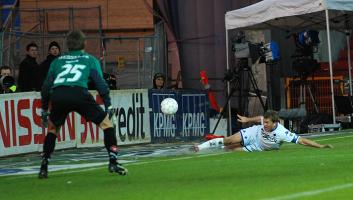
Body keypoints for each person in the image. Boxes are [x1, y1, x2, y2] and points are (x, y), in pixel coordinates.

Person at [39, 29, 128, 179]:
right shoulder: (89, 59)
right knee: (107, 125)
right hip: (79, 93)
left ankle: (44, 166)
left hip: (59, 95)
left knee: (53, 130)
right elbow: (101, 84)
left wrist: (44, 108)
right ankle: (113, 161)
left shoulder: (57, 61)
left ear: (67, 45)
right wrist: (108, 105)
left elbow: (46, 87)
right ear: (84, 43)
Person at [194, 110, 333, 152]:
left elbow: (302, 140)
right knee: (229, 140)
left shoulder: (282, 133)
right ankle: (199, 148)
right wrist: (247, 120)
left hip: (257, 147)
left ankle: (216, 148)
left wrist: (320, 146)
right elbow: (259, 117)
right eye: (264, 122)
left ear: (275, 123)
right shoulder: (263, 123)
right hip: (253, 133)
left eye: (267, 123)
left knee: (229, 149)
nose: (264, 124)